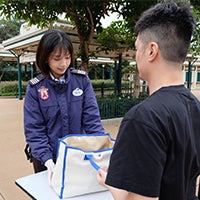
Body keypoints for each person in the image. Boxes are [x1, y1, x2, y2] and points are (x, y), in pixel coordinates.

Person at [97, 2, 200, 200]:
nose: (136, 56)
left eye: (137, 48)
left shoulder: (143, 118)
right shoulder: (195, 107)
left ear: (151, 50)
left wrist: (110, 186)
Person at [24, 29, 104, 183]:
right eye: (57, 58)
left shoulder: (81, 81)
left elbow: (92, 121)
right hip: (46, 160)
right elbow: (34, 129)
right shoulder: (35, 88)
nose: (63, 64)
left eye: (67, 57)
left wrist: (101, 150)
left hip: (77, 156)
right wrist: (47, 160)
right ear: (46, 57)